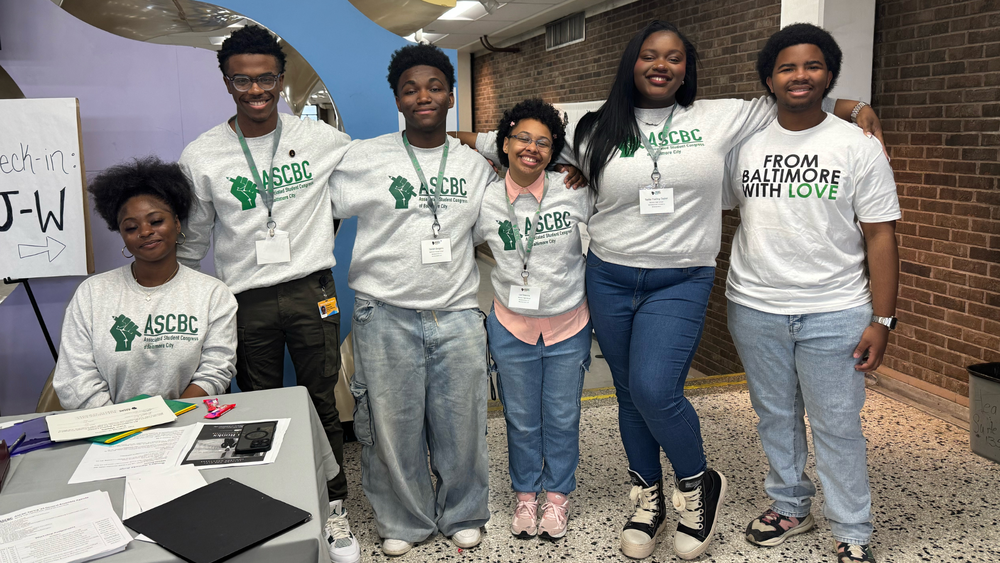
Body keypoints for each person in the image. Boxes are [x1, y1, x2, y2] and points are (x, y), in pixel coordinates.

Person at [564, 19, 885, 561]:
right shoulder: (592, 121)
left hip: (682, 277)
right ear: (632, 62)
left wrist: (855, 108)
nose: (661, 65)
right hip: (609, 274)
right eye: (649, 55)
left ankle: (695, 484)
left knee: (654, 388)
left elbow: (797, 93)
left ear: (687, 69)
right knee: (626, 393)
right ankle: (648, 495)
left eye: (674, 57)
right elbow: (517, 133)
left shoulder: (721, 114)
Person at [174, 24, 359, 563]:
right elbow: (192, 242)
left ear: (282, 80)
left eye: (267, 80)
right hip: (244, 300)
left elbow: (383, 163)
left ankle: (334, 507)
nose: (256, 92)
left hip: (312, 292)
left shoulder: (320, 138)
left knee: (321, 400)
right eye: (243, 81)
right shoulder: (203, 154)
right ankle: (275, 505)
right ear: (226, 82)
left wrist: (480, 144)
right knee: (258, 407)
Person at [723, 23, 899, 563]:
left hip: (837, 311)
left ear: (829, 75)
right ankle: (791, 506)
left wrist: (883, 320)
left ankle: (852, 529)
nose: (800, 76)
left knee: (837, 426)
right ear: (769, 80)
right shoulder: (742, 144)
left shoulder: (858, 145)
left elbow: (881, 236)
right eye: (787, 67)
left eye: (813, 66)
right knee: (774, 415)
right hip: (754, 307)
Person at [329, 44, 497, 557]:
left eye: (434, 87)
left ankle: (464, 511)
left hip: (458, 312)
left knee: (463, 424)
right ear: (397, 100)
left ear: (451, 95)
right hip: (385, 315)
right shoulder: (365, 158)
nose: (423, 96)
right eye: (410, 89)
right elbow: (317, 205)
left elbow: (528, 165)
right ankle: (403, 519)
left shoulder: (475, 165)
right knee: (390, 427)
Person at [473, 99, 593, 541]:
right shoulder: (484, 197)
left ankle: (558, 497)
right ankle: (526, 494)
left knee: (562, 417)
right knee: (521, 418)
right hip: (510, 325)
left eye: (544, 143)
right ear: (503, 143)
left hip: (568, 325)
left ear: (554, 153)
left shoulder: (574, 187)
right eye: (522, 138)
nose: (532, 148)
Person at [53, 157, 236, 408]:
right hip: (112, 431)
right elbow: (75, 378)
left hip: (186, 422)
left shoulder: (213, 294)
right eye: (131, 227)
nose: (145, 232)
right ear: (123, 236)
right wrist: (125, 424)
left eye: (156, 221)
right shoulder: (92, 293)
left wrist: (171, 417)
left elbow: (215, 370)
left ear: (177, 223)